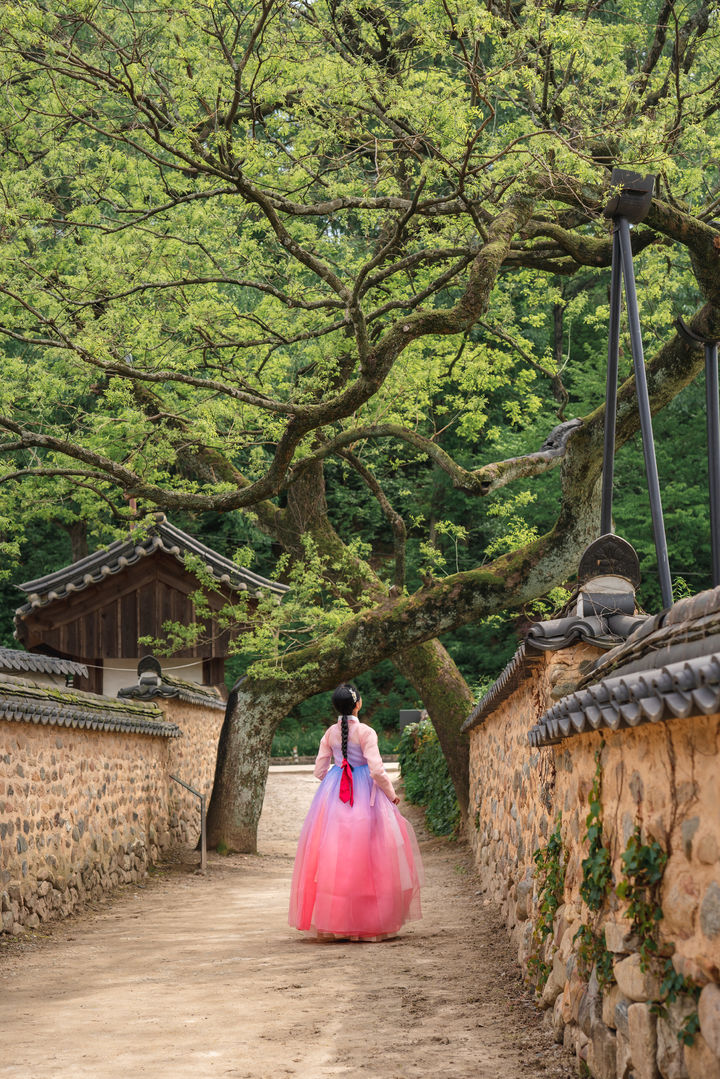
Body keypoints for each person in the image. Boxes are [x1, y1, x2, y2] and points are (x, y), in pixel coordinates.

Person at [288, 683, 424, 941]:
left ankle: (338, 921)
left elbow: (319, 770)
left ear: (335, 707)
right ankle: (370, 921)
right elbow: (377, 770)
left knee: (336, 856)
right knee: (372, 855)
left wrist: (334, 779)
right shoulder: (366, 732)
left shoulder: (329, 733)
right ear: (358, 704)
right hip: (366, 796)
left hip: (336, 793)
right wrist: (391, 793)